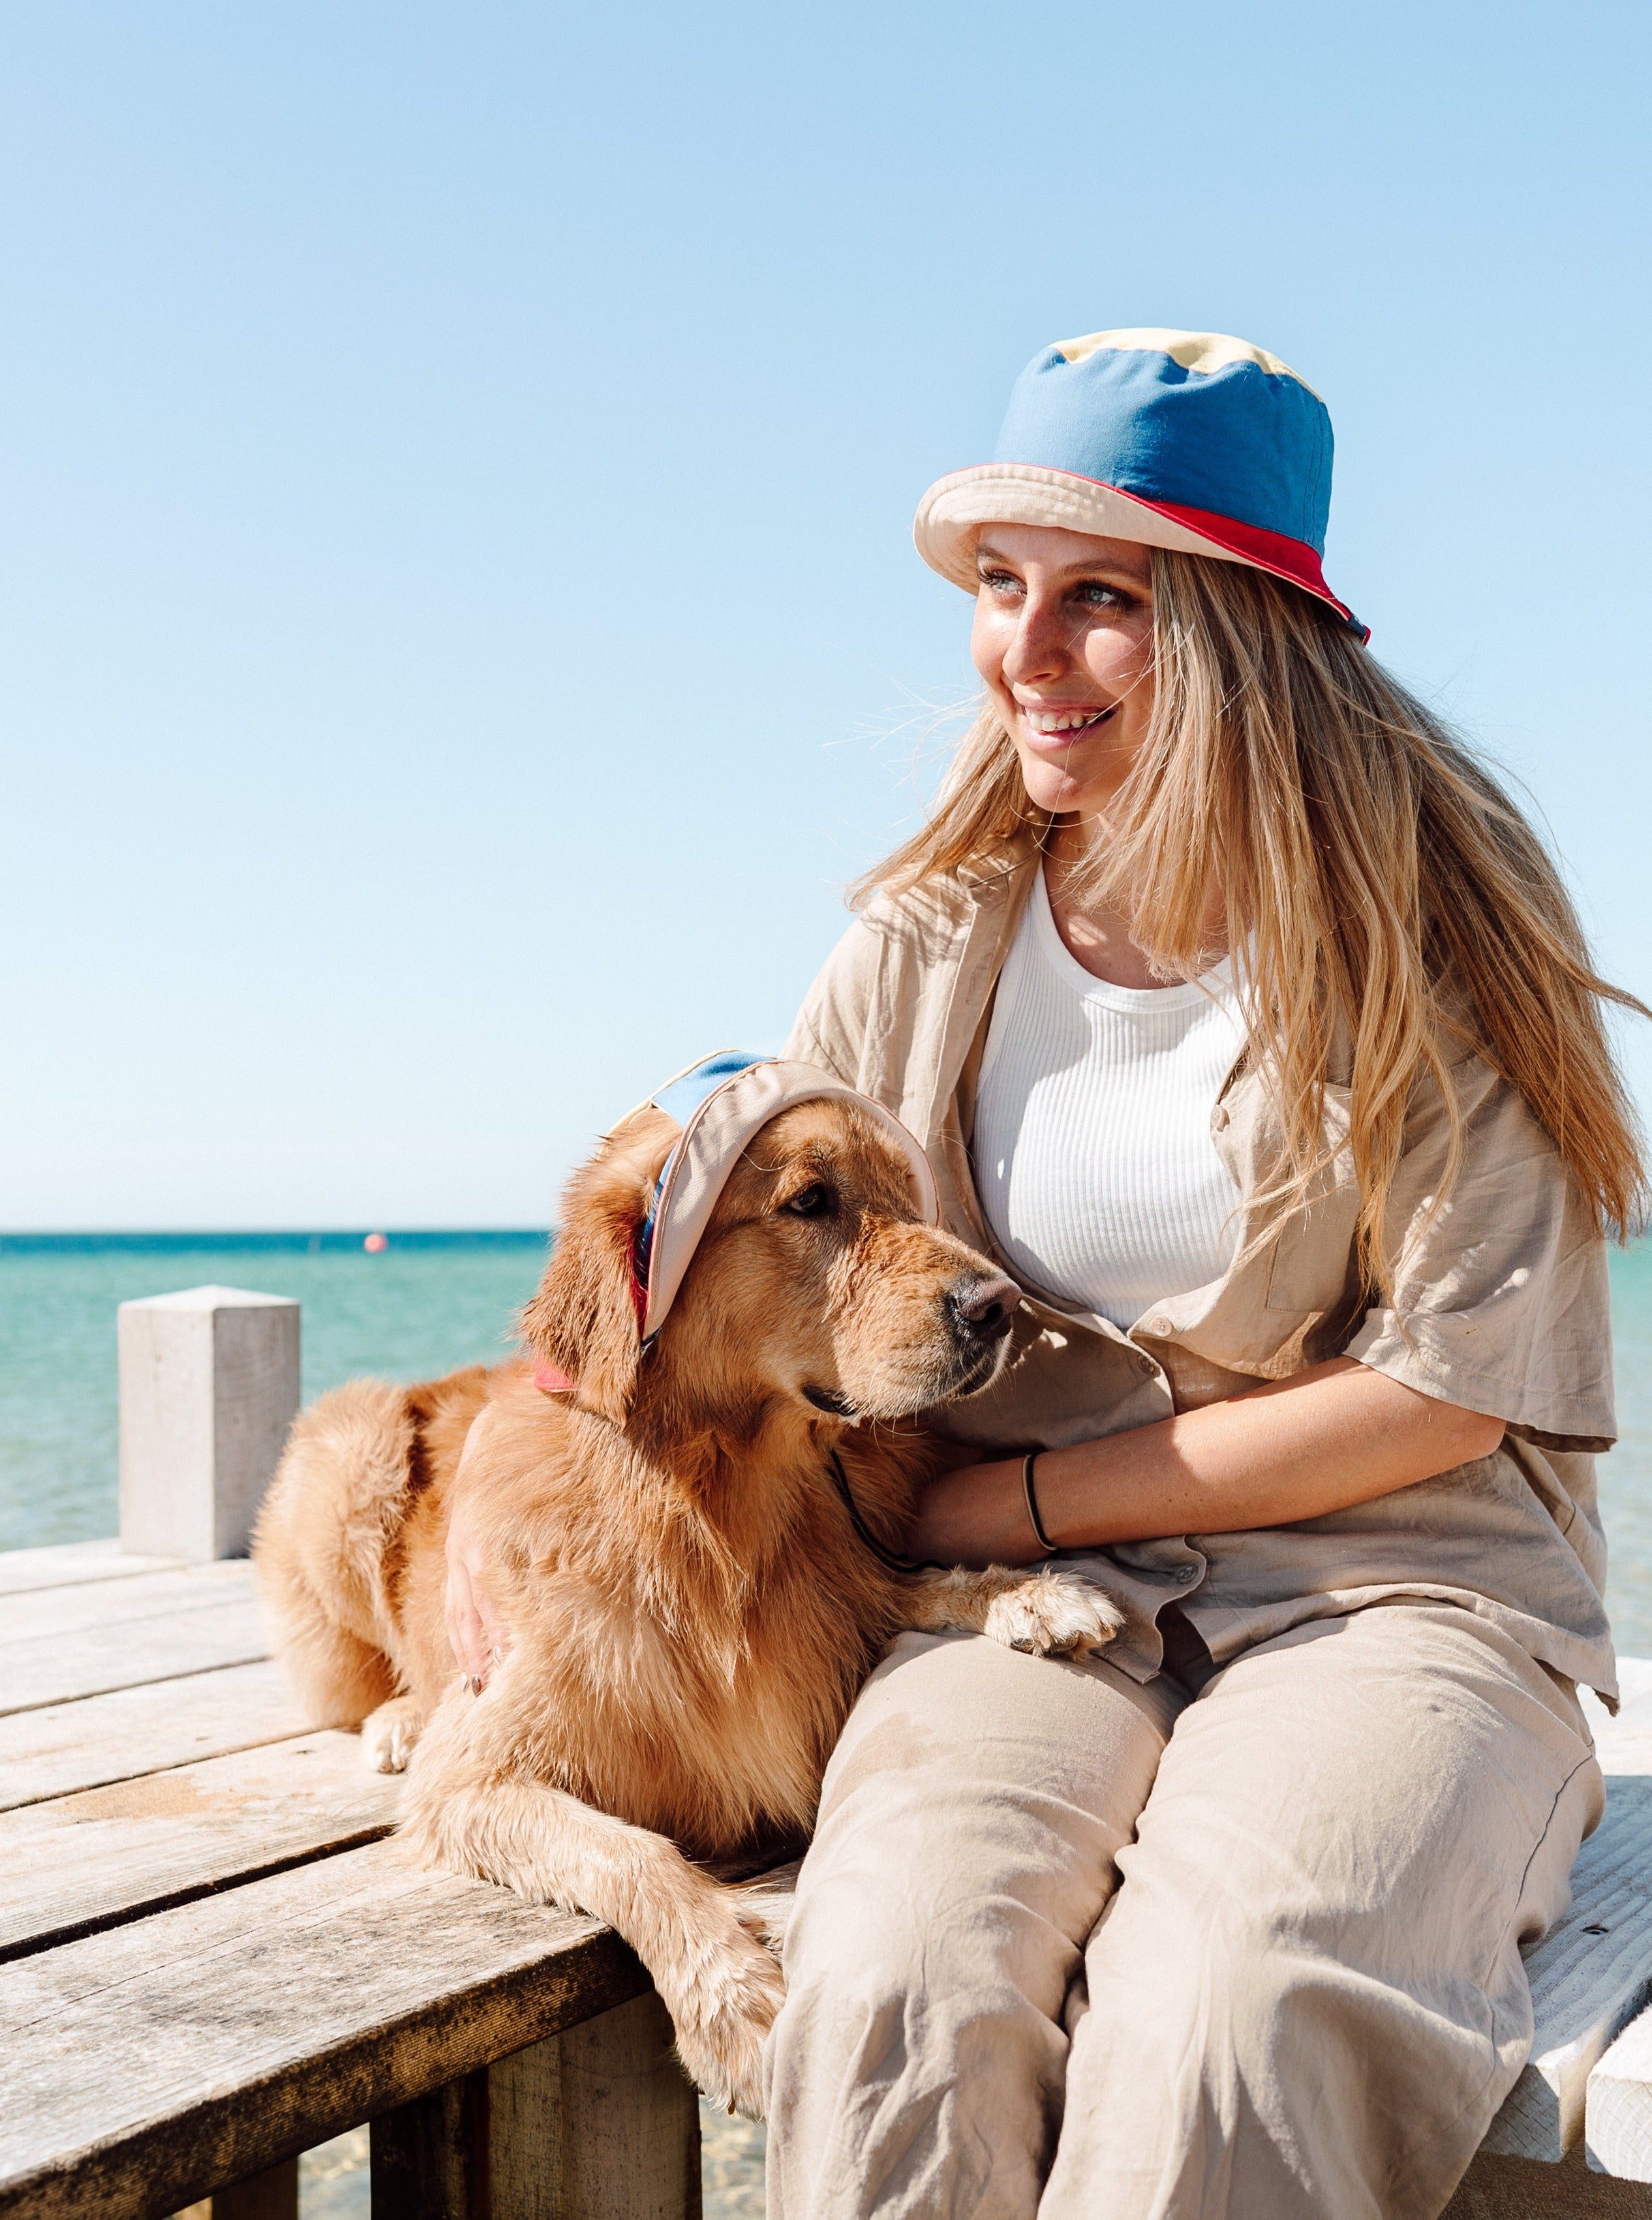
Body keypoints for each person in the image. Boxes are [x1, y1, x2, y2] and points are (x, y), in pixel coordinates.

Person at [451, 329, 1645, 2218]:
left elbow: (1442, 1390)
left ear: (1250, 635)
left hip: (1391, 1596)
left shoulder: (1436, 933)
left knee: (1226, 2007)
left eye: (1103, 598)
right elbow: (716, 1260)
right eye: (1002, 590)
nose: (1025, 649)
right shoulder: (917, 947)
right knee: (893, 1973)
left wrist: (1011, 1500)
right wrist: (519, 1543)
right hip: (1000, 1596)